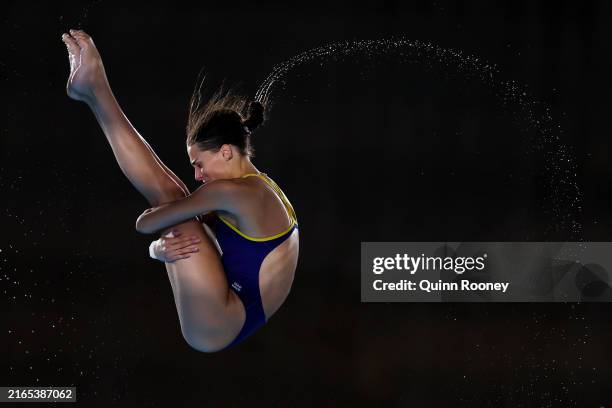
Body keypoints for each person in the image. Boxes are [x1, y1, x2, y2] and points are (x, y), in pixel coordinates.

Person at [61, 29, 300, 352]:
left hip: (218, 322)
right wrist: (159, 248)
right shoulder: (261, 187)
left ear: (226, 152)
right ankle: (93, 90)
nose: (199, 175)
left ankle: (95, 88)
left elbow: (146, 223)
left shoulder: (234, 193)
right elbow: (178, 232)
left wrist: (158, 246)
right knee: (175, 198)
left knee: (172, 197)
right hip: (234, 307)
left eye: (200, 163)